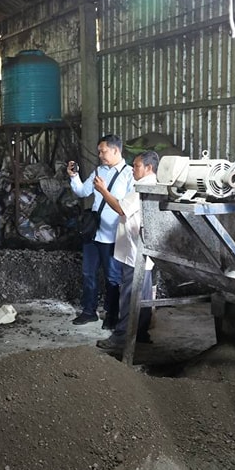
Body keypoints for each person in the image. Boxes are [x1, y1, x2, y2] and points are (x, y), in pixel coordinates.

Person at [93, 151, 159, 350]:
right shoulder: (156, 185)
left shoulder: (142, 188)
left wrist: (103, 190)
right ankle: (141, 334)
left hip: (135, 252)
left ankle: (121, 337)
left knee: (130, 296)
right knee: (144, 296)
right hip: (144, 250)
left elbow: (121, 208)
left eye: (137, 166)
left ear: (148, 168)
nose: (133, 169)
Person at [67, 134, 134, 328]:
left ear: (115, 150)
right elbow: (82, 192)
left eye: (103, 151)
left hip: (113, 235)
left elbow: (127, 207)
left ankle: (112, 315)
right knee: (88, 273)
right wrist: (74, 176)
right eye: (99, 152)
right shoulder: (98, 171)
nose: (100, 155)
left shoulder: (129, 175)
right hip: (93, 233)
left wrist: (105, 190)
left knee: (113, 277)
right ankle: (89, 311)